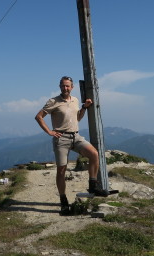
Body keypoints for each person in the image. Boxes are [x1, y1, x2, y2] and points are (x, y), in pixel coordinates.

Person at [35, 76, 107, 214]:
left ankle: (93, 185)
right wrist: (50, 132)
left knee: (94, 154)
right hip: (61, 139)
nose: (65, 88)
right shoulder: (53, 101)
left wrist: (84, 108)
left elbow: (77, 118)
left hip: (76, 136)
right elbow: (38, 117)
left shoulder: (75, 100)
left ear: (72, 87)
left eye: (67, 86)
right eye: (63, 86)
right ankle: (63, 201)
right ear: (59, 86)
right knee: (61, 170)